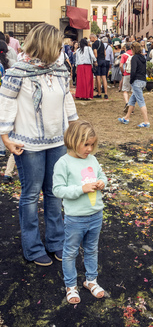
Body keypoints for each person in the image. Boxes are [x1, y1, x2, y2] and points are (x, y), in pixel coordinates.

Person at [0, 23, 78, 266]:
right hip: (28, 143)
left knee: (55, 194)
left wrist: (74, 130)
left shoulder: (60, 71)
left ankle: (56, 242)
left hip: (57, 141)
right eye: (57, 45)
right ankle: (32, 247)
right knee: (31, 195)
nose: (61, 49)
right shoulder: (16, 72)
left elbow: (67, 101)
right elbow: (6, 104)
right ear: (46, 45)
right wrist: (5, 137)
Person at [53, 120, 107, 305]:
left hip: (95, 215)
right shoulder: (63, 163)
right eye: (86, 144)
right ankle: (70, 285)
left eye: (92, 144)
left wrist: (102, 183)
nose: (89, 149)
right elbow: (58, 190)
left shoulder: (92, 160)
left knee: (92, 249)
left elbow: (102, 176)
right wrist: (81, 189)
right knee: (70, 252)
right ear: (73, 140)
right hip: (75, 218)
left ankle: (91, 281)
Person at [118, 41, 150, 128]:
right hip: (143, 80)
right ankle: (126, 118)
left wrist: (131, 81)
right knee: (132, 100)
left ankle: (146, 121)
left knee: (141, 101)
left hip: (137, 81)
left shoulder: (134, 58)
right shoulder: (143, 57)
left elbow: (133, 71)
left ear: (133, 49)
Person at [90, 34, 108, 100]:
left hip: (98, 61)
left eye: (90, 38)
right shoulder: (102, 43)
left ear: (93, 38)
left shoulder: (94, 44)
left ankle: (99, 93)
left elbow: (95, 54)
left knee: (98, 77)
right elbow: (105, 53)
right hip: (103, 60)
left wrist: (94, 61)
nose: (90, 40)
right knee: (104, 77)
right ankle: (106, 94)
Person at [120, 42, 133, 113]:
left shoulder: (124, 55)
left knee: (125, 90)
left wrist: (122, 72)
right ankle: (132, 105)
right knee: (133, 91)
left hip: (127, 73)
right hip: (134, 74)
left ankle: (127, 103)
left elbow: (121, 65)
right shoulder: (135, 54)